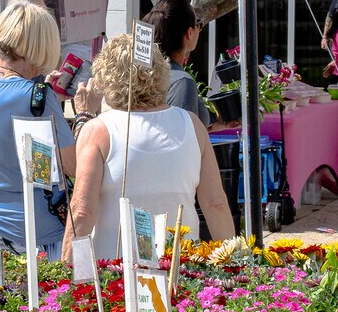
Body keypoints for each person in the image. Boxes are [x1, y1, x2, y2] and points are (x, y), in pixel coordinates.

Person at [65, 35, 236, 259]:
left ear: (107, 79)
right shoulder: (192, 124)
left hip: (116, 270)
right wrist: (236, 264)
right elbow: (215, 204)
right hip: (180, 264)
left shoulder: (98, 131)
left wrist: (66, 273)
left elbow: (81, 212)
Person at [0, 0, 76, 258]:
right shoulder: (39, 98)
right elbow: (73, 166)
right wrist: (85, 114)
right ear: (40, 44)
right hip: (38, 226)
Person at [144, 0, 209, 122]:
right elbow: (182, 136)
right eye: (198, 24)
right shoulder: (181, 82)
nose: (199, 30)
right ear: (189, 33)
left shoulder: (143, 74)